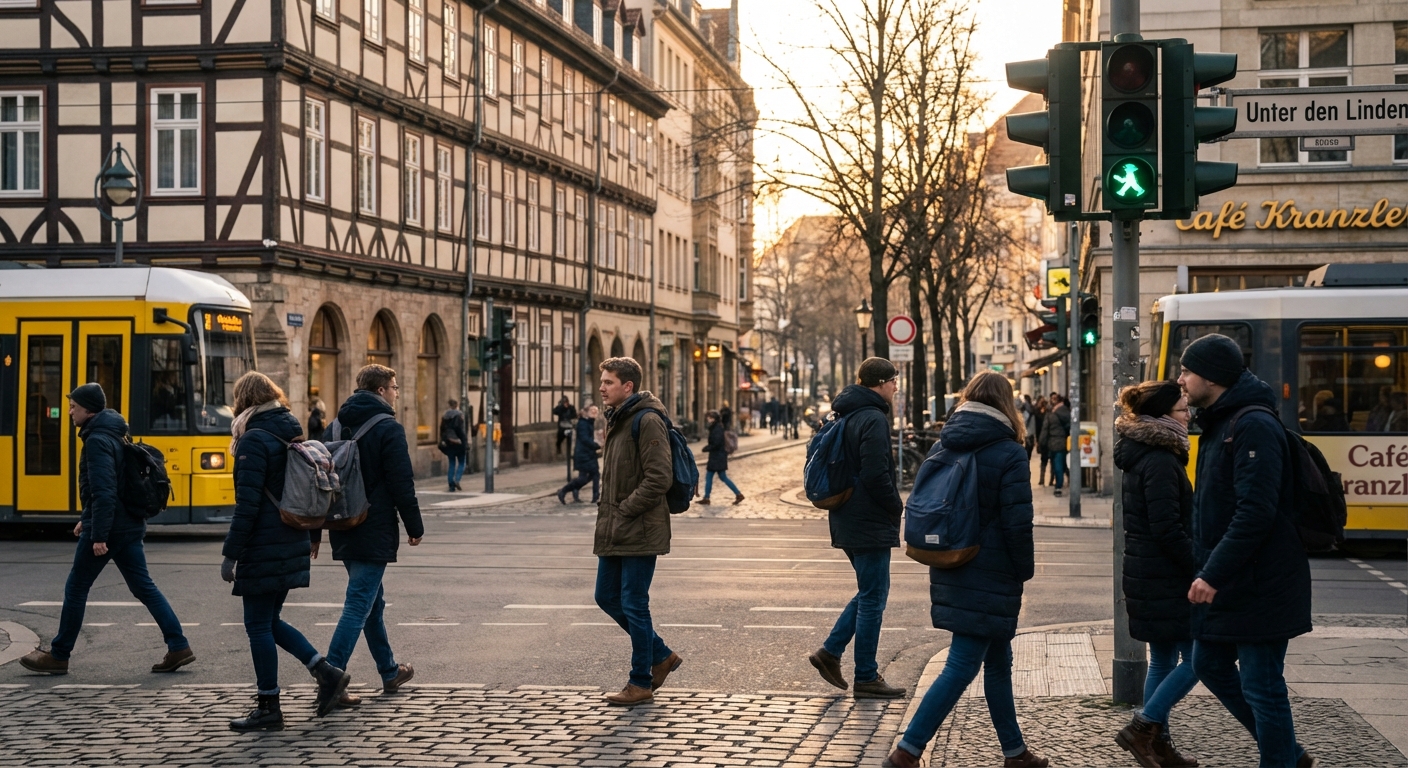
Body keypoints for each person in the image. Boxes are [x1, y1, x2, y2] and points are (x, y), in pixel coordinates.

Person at [884, 371, 1047, 768]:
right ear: (1006, 404)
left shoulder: (946, 442)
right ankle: (906, 752)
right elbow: (1017, 521)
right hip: (991, 571)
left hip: (953, 558)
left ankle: (1015, 752)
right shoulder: (1008, 452)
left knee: (997, 662)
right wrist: (1023, 570)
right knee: (961, 664)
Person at [1176, 334, 1316, 768]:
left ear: (1212, 377)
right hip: (1239, 579)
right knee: (1209, 663)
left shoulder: (1252, 424)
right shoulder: (1222, 421)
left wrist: (1212, 573)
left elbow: (1256, 513)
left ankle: (1280, 760)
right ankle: (1286, 752)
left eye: (1187, 371)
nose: (1180, 380)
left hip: (1262, 581)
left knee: (1261, 685)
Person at [20, 383, 195, 676]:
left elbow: (103, 491)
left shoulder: (97, 440)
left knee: (76, 588)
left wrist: (98, 534)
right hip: (127, 525)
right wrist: (85, 518)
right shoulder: (113, 433)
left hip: (111, 528)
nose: (70, 411)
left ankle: (59, 655)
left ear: (88, 410)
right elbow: (104, 490)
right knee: (144, 588)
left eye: (74, 406)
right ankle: (179, 646)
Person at [223, 372, 350, 730]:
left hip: (265, 543)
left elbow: (247, 505)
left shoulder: (253, 440)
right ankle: (324, 672)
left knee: (257, 626)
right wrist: (312, 536)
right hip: (291, 536)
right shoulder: (290, 431)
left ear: (243, 400)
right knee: (269, 621)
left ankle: (269, 706)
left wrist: (231, 554)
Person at [318, 364, 424, 706]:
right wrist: (414, 526)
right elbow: (401, 482)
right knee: (359, 603)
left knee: (371, 603)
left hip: (342, 523)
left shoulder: (334, 425)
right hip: (374, 525)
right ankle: (331, 676)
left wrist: (314, 532)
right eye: (394, 387)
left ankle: (389, 671)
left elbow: (317, 482)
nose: (396, 392)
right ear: (380, 390)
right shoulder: (388, 428)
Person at [1111, 381, 1199, 768]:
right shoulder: (1161, 460)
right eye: (1182, 410)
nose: (1189, 415)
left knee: (1163, 659)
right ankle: (1144, 726)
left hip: (1150, 572)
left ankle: (1158, 745)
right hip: (1166, 576)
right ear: (1164, 416)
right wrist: (1198, 566)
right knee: (1202, 658)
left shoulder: (1145, 453)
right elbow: (1167, 528)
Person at [808, 358, 906, 700]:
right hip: (869, 518)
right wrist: (897, 506)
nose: (896, 386)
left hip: (847, 514)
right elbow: (876, 473)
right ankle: (865, 675)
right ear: (880, 383)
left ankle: (830, 653)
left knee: (868, 592)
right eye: (894, 380)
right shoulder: (874, 418)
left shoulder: (847, 413)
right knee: (874, 598)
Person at [593, 357, 681, 707]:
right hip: (617, 528)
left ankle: (640, 681)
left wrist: (626, 509)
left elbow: (660, 476)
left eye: (608, 382)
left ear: (627, 386)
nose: (601, 387)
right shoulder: (619, 418)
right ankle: (661, 655)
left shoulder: (645, 420)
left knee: (633, 602)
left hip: (639, 527)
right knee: (606, 596)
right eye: (602, 381)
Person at [558, 404, 602, 504]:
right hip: (583, 455)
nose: (595, 413)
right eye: (592, 411)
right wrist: (597, 445)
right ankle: (564, 490)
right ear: (586, 412)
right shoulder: (583, 423)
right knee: (584, 478)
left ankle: (595, 497)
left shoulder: (589, 422)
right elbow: (585, 439)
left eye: (596, 411)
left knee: (594, 475)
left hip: (589, 454)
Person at [700, 410, 744, 505]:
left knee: (711, 476)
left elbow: (716, 443)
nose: (708, 419)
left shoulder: (717, 428)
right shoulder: (716, 427)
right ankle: (738, 494)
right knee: (721, 477)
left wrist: (706, 448)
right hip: (718, 456)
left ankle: (707, 498)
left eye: (710, 417)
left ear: (714, 418)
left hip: (717, 457)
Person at [1039, 394, 1071, 496]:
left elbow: (1045, 430)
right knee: (1060, 463)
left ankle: (1058, 486)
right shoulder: (1066, 412)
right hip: (1063, 441)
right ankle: (1061, 483)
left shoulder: (1051, 415)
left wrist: (1041, 443)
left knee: (1056, 464)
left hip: (1052, 442)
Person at [439, 399, 468, 492]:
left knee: (451, 463)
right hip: (458, 442)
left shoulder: (445, 416)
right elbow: (460, 430)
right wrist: (465, 441)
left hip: (449, 442)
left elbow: (441, 429)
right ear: (456, 405)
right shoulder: (459, 415)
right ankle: (457, 479)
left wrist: (443, 440)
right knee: (462, 462)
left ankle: (451, 485)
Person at [1034, 398, 1049, 483]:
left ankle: (1042, 479)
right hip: (1047, 439)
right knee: (1049, 460)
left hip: (1042, 439)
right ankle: (1049, 480)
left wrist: (1038, 441)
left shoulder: (1037, 414)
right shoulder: (1049, 414)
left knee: (1043, 460)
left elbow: (1037, 428)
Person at [1019, 395, 1037, 460]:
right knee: (1028, 454)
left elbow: (1024, 422)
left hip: (1026, 434)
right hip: (1031, 433)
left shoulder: (1026, 412)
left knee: (1025, 454)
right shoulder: (1033, 410)